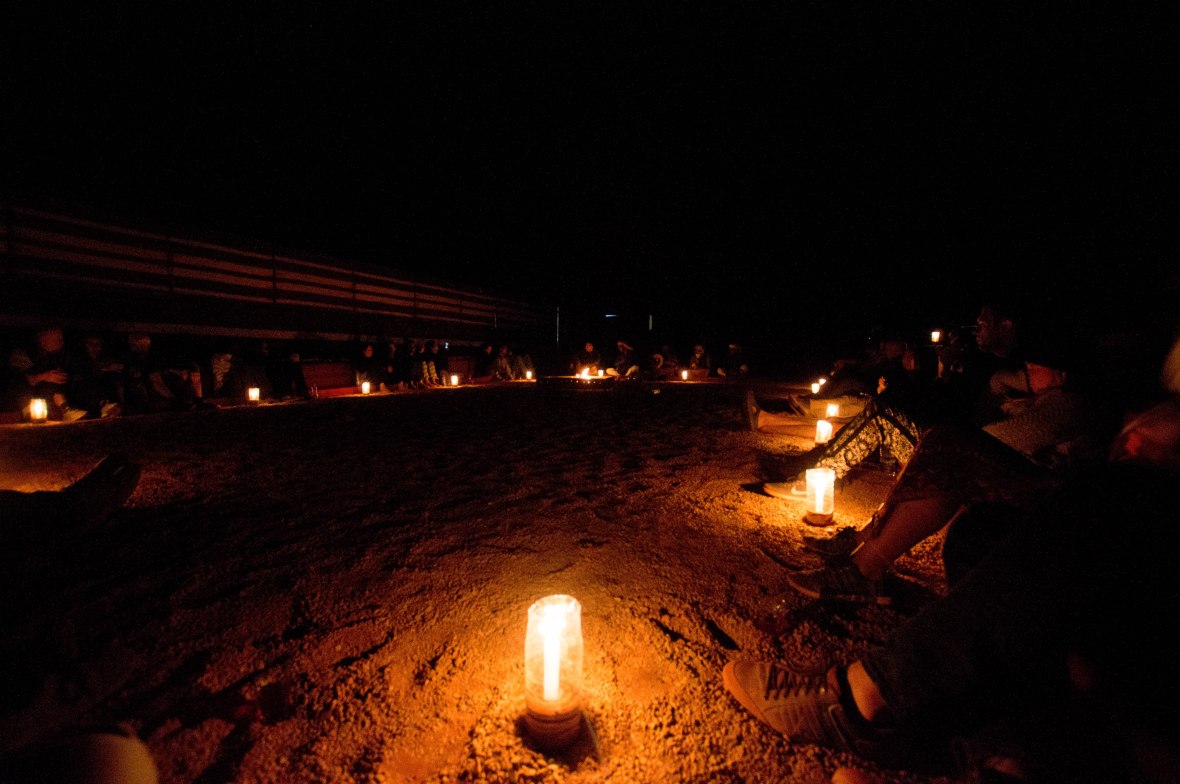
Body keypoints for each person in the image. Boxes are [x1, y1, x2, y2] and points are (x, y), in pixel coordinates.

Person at [723, 392, 1180, 783]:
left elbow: (1004, 439)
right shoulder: (1017, 385)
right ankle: (1005, 740)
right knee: (981, 529)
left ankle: (866, 694)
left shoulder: (1076, 404)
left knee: (1100, 496)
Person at [783, 337, 1116, 605]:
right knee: (917, 431)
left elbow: (992, 438)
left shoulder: (1069, 407)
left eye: (1037, 364)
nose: (1027, 367)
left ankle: (865, 566)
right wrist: (1003, 382)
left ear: (1064, 373)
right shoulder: (1038, 398)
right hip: (993, 472)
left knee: (945, 446)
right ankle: (860, 540)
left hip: (1034, 496)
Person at [5, 326, 87, 421]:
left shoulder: (58, 356)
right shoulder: (23, 354)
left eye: (62, 339)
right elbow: (18, 380)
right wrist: (44, 376)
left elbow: (73, 373)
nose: (62, 343)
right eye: (58, 339)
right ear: (43, 341)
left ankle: (67, 409)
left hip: (50, 395)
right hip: (27, 398)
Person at [65, 334, 124, 419]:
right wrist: (104, 369)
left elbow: (119, 368)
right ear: (85, 345)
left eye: (97, 344)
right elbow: (81, 374)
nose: (94, 347)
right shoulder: (77, 360)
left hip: (104, 397)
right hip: (82, 398)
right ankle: (104, 404)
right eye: (90, 344)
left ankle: (111, 406)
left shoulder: (105, 359)